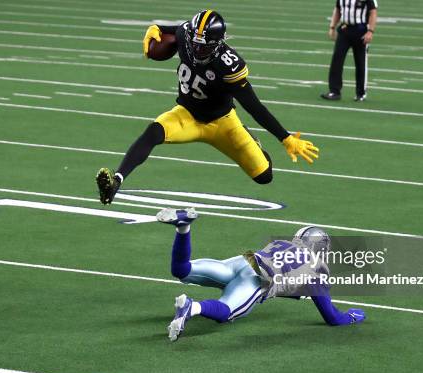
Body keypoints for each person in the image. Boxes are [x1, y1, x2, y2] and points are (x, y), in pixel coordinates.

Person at [96, 10, 319, 205]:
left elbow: (254, 107)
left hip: (223, 123)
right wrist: (154, 28)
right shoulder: (187, 36)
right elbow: (174, 29)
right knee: (153, 132)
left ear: (217, 44)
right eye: (194, 43)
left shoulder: (228, 64)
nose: (195, 49)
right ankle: (117, 181)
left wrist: (285, 138)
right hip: (187, 115)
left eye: (202, 48)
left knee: (264, 175)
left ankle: (254, 142)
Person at [155, 207, 366, 342]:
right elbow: (332, 317)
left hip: (242, 262)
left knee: (182, 270)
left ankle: (183, 228)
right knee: (227, 311)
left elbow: (287, 280)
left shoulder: (283, 243)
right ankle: (192, 307)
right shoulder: (317, 271)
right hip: (256, 281)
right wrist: (352, 316)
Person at [321, 0, 378, 102]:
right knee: (337, 59)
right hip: (344, 29)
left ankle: (361, 93)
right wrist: (332, 27)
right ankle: (334, 91)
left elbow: (373, 12)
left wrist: (370, 31)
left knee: (361, 62)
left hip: (361, 30)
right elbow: (338, 9)